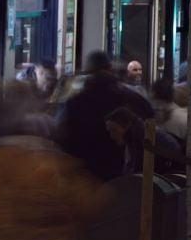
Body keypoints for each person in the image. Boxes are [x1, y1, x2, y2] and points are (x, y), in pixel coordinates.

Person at [57, 51, 152, 180]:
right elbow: (149, 119)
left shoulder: (74, 103)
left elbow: (63, 137)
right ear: (109, 69)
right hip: (120, 172)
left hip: (84, 173)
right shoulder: (128, 97)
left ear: (87, 71)